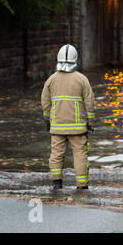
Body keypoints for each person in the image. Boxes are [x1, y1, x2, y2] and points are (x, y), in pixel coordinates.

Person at [41, 44, 95, 190]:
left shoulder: (51, 80)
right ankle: (82, 185)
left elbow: (45, 102)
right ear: (76, 59)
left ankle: (57, 183)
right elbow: (89, 103)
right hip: (78, 128)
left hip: (57, 126)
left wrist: (48, 120)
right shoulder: (82, 79)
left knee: (56, 155)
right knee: (80, 156)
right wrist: (90, 122)